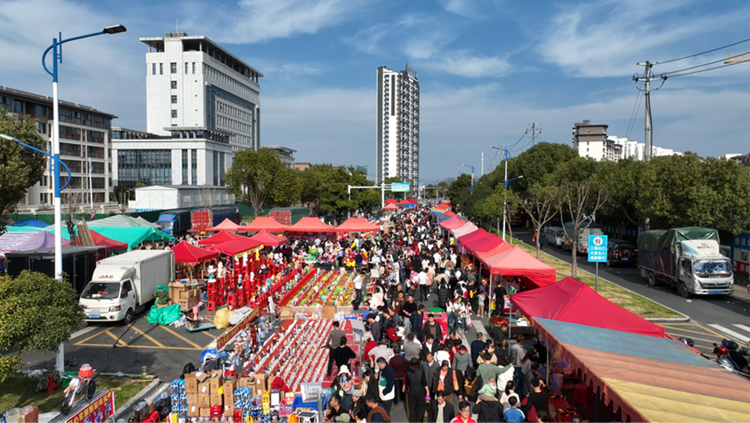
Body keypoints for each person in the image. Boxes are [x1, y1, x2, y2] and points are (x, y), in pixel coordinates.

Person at [404, 358, 428, 423]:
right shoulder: (421, 371)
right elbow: (424, 382)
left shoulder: (408, 372)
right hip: (420, 391)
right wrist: (427, 391)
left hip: (412, 391)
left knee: (412, 408)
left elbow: (408, 383)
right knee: (421, 407)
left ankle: (412, 421)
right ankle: (419, 420)